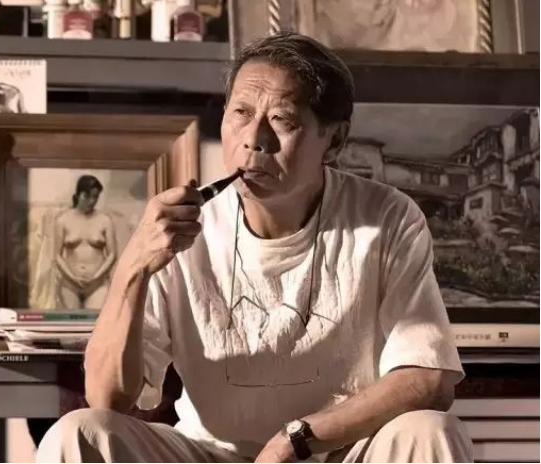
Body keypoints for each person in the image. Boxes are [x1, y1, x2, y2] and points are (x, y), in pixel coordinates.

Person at [37, 33, 473, 463]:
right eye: (241, 113)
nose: (253, 138)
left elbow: (428, 379)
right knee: (79, 432)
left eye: (282, 119)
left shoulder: (386, 217)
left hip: (335, 452)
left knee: (431, 431)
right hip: (208, 454)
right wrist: (134, 266)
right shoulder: (179, 227)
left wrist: (295, 440)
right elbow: (107, 398)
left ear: (334, 140)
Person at [55, 175, 117, 309]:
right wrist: (72, 277)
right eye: (87, 196)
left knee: (96, 319)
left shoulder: (105, 220)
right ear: (78, 195)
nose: (91, 201)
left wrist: (96, 277)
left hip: (97, 284)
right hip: (70, 285)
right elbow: (57, 255)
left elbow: (112, 254)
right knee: (71, 320)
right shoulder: (63, 220)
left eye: (95, 197)